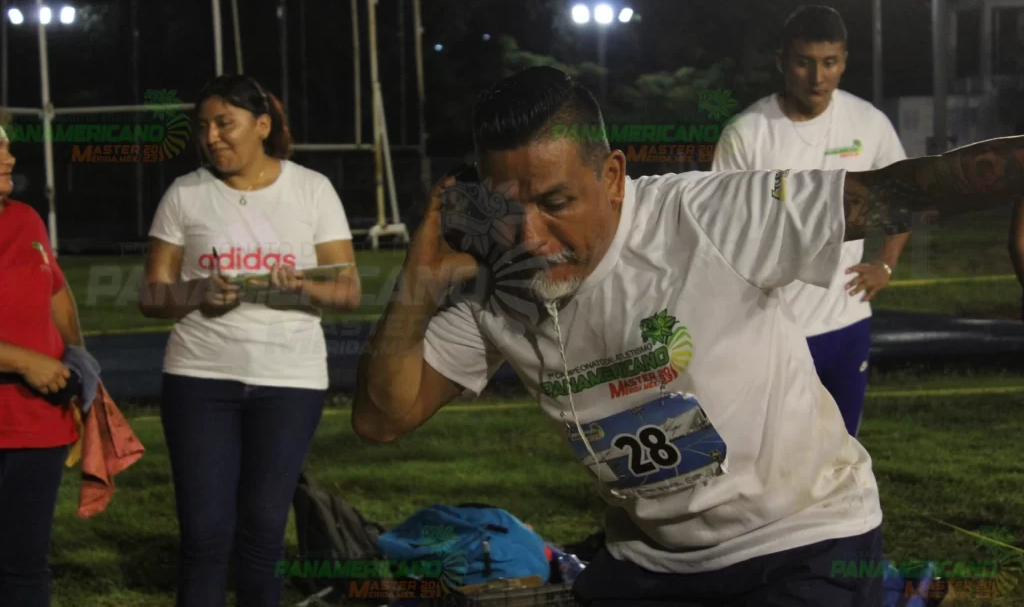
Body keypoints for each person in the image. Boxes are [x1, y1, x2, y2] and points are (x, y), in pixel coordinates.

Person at [351, 65, 1024, 606]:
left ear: (612, 177)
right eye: (505, 209)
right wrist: (420, 279)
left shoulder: (708, 216)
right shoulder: (502, 281)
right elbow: (382, 419)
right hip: (651, 563)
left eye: (556, 203)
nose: (529, 236)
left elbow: (904, 190)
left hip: (800, 539)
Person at [138, 74, 362, 607]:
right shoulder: (185, 192)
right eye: (203, 127)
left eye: (224, 124)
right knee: (204, 535)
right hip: (199, 379)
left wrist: (301, 286)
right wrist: (198, 292)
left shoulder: (311, 189)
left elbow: (348, 291)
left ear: (262, 126)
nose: (211, 137)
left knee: (263, 533)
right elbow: (152, 295)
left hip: (290, 382)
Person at [712, 5, 911, 437]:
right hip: (772, 330)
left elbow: (905, 196)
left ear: (844, 62)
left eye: (829, 62)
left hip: (847, 324)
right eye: (804, 63)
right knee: (775, 453)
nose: (817, 77)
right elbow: (718, 232)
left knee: (842, 448)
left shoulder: (868, 123)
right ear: (782, 61)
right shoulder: (746, 133)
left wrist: (885, 264)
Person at [0, 123, 86, 605]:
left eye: (7, 146)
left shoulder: (27, 218)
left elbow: (54, 290)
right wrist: (22, 361)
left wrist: (79, 360)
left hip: (38, 423)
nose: (9, 158)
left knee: (26, 564)